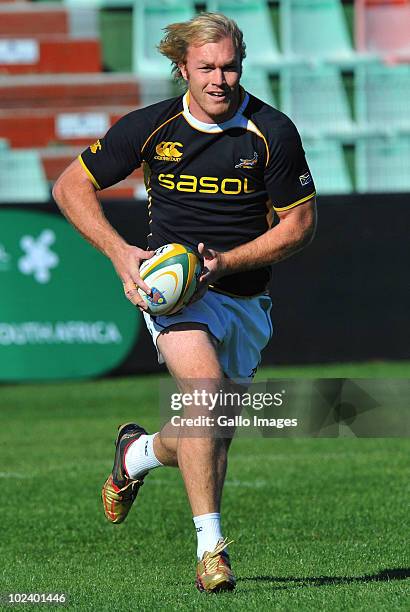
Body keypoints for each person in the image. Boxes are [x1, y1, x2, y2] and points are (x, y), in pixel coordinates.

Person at [53, 12, 316, 593]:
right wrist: (121, 253)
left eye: (230, 66)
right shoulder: (152, 126)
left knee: (211, 427)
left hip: (244, 293)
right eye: (207, 68)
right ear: (182, 69)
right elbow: (70, 186)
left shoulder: (271, 132)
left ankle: (139, 453)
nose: (220, 79)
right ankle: (210, 549)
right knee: (205, 392)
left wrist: (225, 262)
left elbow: (299, 226)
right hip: (173, 292)